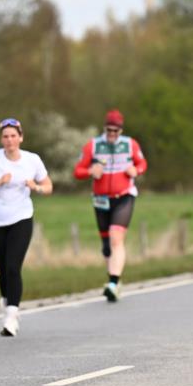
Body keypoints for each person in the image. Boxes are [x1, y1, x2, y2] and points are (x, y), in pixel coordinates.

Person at [0, 118, 53, 336]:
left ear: (21, 137)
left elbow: (48, 186)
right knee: (3, 270)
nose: (9, 140)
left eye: (13, 136)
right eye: (5, 137)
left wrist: (35, 186)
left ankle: (11, 316)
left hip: (21, 217)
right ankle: (8, 302)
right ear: (1, 139)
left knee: (12, 267)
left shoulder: (32, 160)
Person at [74, 109, 148, 302]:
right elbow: (77, 171)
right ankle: (114, 281)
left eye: (116, 131)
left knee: (116, 238)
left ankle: (113, 283)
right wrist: (91, 171)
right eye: (109, 130)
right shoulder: (93, 145)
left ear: (121, 130)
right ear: (104, 128)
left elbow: (143, 163)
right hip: (101, 199)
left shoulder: (130, 144)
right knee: (107, 246)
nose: (112, 135)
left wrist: (136, 170)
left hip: (124, 196)